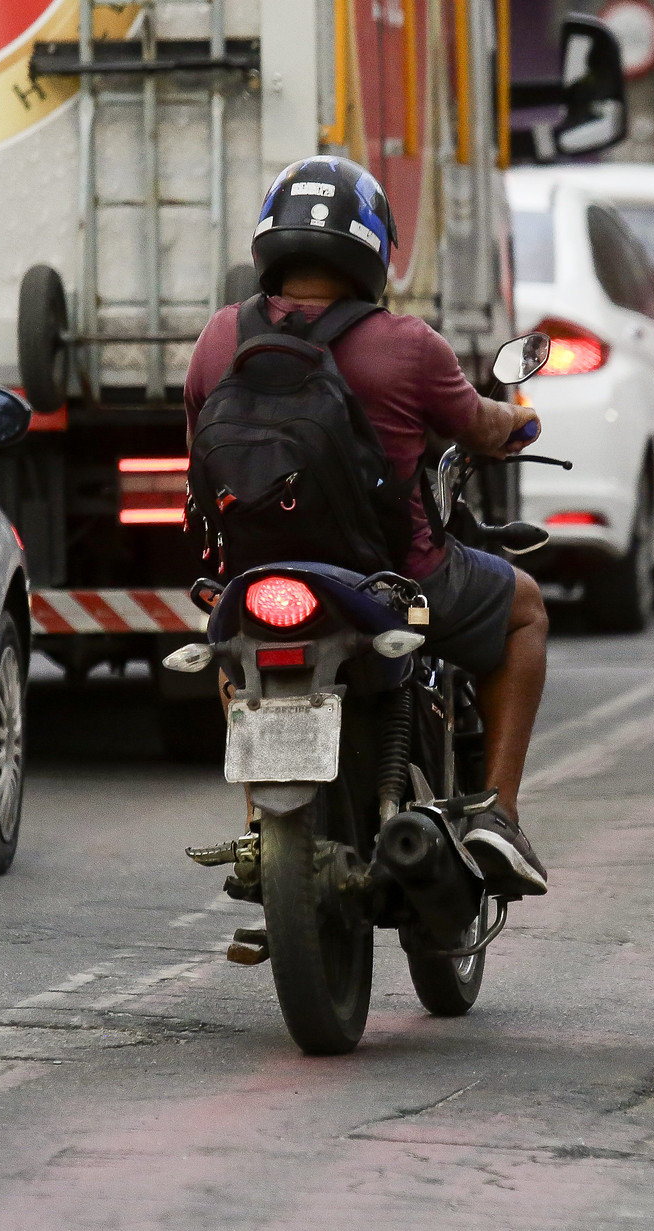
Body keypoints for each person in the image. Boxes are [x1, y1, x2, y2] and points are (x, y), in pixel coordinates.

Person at [182, 156, 552, 895]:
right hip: (397, 581)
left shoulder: (219, 339)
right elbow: (479, 426)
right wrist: (521, 418)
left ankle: (261, 821)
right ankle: (499, 817)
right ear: (372, 247)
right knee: (525, 611)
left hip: (254, 581)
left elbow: (198, 455)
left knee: (234, 657)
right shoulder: (408, 346)